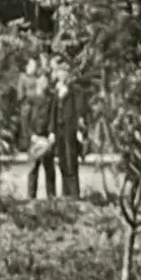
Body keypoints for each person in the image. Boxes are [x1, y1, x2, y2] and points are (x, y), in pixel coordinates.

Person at [20, 63, 56, 199]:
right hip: (34, 137)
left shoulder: (50, 98)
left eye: (46, 80)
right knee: (33, 169)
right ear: (37, 82)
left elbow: (52, 116)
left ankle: (52, 197)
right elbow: (25, 120)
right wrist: (31, 135)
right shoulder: (30, 99)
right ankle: (31, 197)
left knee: (50, 169)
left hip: (46, 137)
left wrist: (51, 132)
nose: (43, 83)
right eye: (41, 80)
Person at [50, 59, 84, 199]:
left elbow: (79, 110)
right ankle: (65, 192)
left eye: (64, 73)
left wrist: (79, 129)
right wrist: (51, 131)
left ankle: (74, 193)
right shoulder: (56, 90)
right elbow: (53, 111)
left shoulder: (74, 90)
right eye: (60, 72)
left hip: (70, 128)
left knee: (71, 159)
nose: (62, 75)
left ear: (68, 74)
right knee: (62, 159)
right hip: (59, 129)